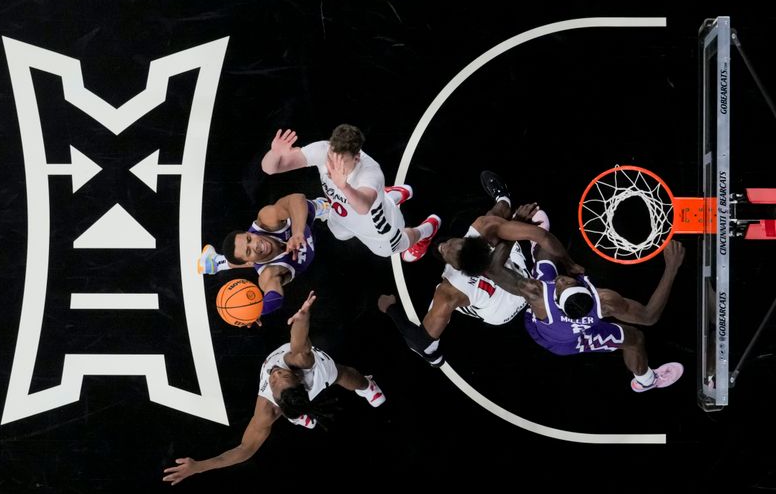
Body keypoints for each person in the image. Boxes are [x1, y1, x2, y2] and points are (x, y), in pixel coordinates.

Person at [455, 172, 686, 393]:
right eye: (566, 281)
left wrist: (517, 224)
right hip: (562, 325)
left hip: (559, 339)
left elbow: (494, 269)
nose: (559, 279)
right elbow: (648, 315)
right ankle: (647, 380)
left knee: (635, 337)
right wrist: (672, 268)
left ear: (556, 295)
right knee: (635, 337)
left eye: (560, 283)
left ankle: (645, 382)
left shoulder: (538, 295)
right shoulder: (604, 302)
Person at [162, 291, 385, 485]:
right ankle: (299, 414)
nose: (275, 374)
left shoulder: (286, 384)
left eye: (278, 379)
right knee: (300, 404)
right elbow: (245, 449)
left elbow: (244, 449)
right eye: (280, 377)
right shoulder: (284, 384)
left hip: (321, 375)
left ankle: (367, 386)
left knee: (344, 375)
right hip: (296, 394)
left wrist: (199, 466)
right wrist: (199, 466)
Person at [378, 171, 581, 367]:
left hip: (500, 312)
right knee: (495, 219)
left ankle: (523, 238)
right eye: (451, 244)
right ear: (473, 242)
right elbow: (542, 236)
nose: (445, 246)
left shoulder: (448, 292)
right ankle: (504, 199)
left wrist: (391, 309)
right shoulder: (483, 234)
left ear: (457, 268)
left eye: (446, 250)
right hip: (519, 279)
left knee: (435, 323)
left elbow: (420, 342)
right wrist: (568, 261)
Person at [260, 125, 440, 262]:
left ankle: (426, 230)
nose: (332, 166)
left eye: (340, 162)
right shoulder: (323, 149)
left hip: (376, 225)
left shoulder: (371, 172)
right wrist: (275, 154)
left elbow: (362, 207)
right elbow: (270, 169)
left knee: (387, 250)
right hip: (342, 215)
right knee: (339, 233)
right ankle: (390, 196)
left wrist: (344, 186)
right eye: (331, 158)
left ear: (356, 158)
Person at [197, 193, 328, 317]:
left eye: (249, 239)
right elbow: (274, 298)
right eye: (249, 251)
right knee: (259, 260)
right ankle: (219, 262)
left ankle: (319, 206)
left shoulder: (266, 221)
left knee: (306, 208)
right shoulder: (269, 274)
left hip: (303, 230)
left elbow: (297, 198)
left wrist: (298, 233)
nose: (256, 245)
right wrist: (255, 312)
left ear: (249, 232)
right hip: (304, 248)